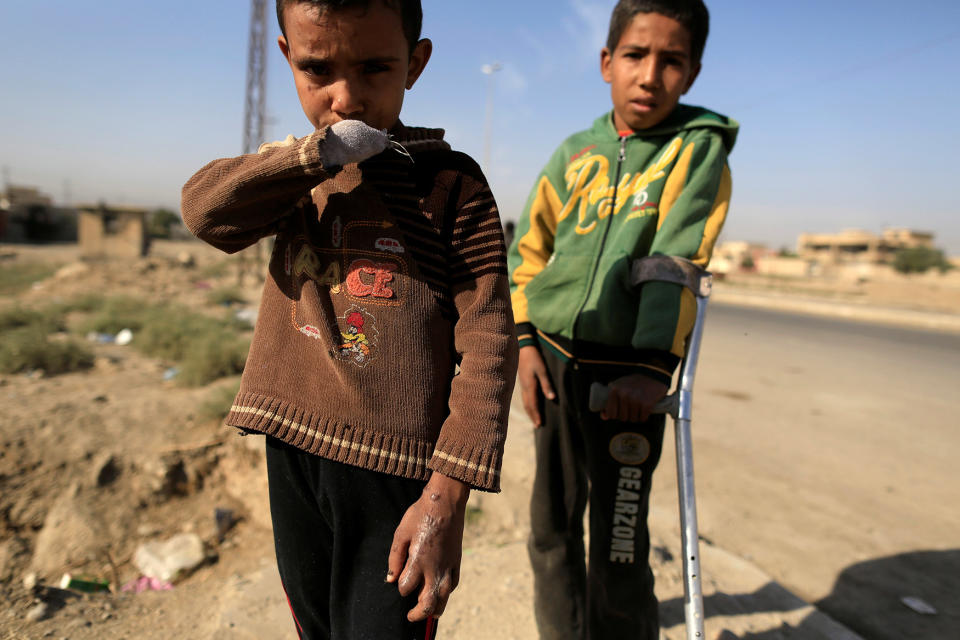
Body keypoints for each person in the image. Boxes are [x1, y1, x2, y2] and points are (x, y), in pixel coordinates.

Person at [181, 1, 518, 638]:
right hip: (294, 451)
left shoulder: (451, 186)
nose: (346, 98)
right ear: (287, 58)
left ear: (415, 63)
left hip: (396, 477)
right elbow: (205, 214)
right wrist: (310, 158)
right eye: (318, 69)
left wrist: (446, 495)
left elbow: (489, 345)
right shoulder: (294, 173)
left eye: (374, 68)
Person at [506, 1, 737, 638]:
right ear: (607, 62)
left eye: (672, 61)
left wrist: (650, 367)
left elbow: (676, 262)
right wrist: (524, 342)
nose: (650, 75)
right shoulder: (574, 153)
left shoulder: (695, 152)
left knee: (619, 544)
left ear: (691, 74)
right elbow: (527, 249)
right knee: (551, 529)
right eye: (635, 55)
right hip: (552, 360)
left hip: (625, 381)